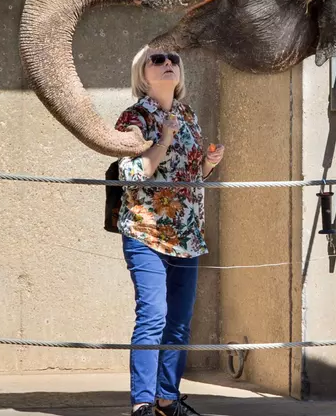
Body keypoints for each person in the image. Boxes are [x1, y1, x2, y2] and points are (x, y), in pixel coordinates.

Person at [114, 47, 224, 416]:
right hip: (146, 230)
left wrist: (208, 163)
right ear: (142, 73)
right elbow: (131, 175)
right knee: (153, 316)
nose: (167, 64)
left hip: (187, 234)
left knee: (179, 322)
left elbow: (193, 178)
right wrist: (162, 138)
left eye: (173, 60)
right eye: (157, 60)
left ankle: (167, 400)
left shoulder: (187, 113)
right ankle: (142, 403)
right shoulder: (134, 118)